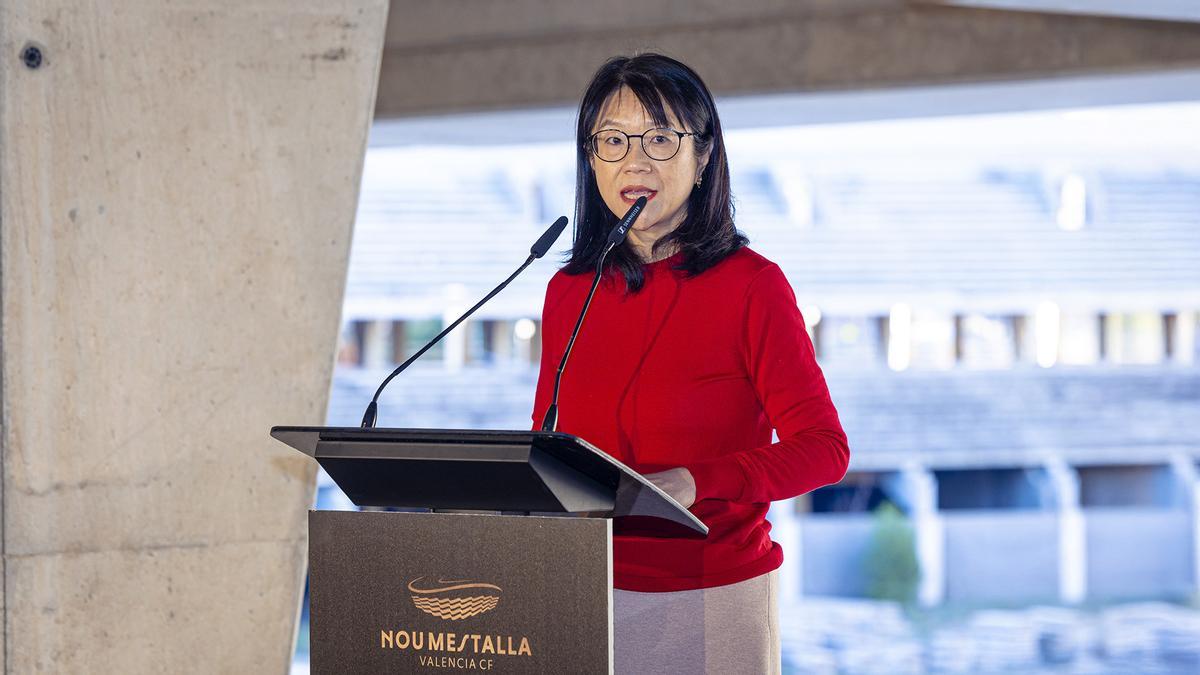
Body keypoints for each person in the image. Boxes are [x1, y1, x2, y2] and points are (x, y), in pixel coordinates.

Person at [531, 53, 850, 674]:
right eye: (614, 140)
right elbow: (550, 444)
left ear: (702, 157)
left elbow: (825, 450)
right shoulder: (570, 289)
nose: (635, 161)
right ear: (590, 157)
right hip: (578, 594)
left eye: (659, 138)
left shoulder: (752, 286)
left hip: (711, 595)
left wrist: (696, 481)